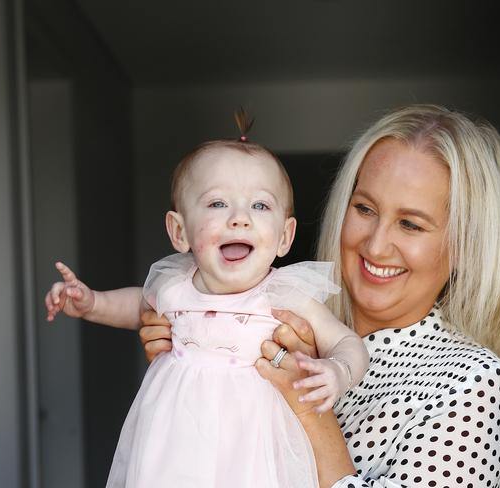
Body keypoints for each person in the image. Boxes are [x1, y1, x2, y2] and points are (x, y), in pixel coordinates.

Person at [141, 104, 500, 488]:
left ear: (466, 246)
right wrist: (193, 364)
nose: (375, 243)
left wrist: (310, 412)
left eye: (410, 224)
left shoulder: (470, 383)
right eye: (365, 209)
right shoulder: (281, 319)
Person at [44, 113, 370, 488]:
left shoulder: (285, 295)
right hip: (175, 441)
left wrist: (338, 372)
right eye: (217, 203)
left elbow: (347, 342)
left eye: (260, 206)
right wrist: (92, 303)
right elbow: (138, 307)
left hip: (255, 446)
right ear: (179, 231)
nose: (239, 219)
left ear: (285, 236)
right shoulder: (174, 286)